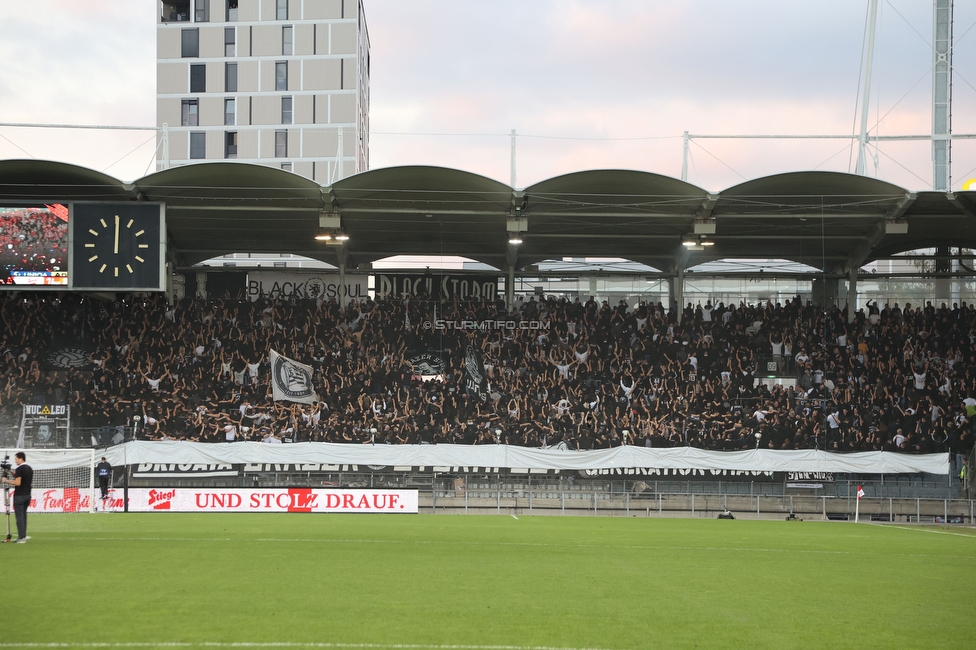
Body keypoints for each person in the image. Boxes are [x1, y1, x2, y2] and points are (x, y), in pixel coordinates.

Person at [1, 452, 33, 543]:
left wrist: (6, 480)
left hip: (20, 495)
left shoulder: (19, 469)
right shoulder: (29, 468)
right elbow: (22, 478)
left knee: (19, 517)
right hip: (27, 494)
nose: (15, 461)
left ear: (21, 459)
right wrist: (12, 473)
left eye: (16, 459)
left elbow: (18, 483)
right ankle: (23, 535)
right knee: (23, 516)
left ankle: (21, 537)